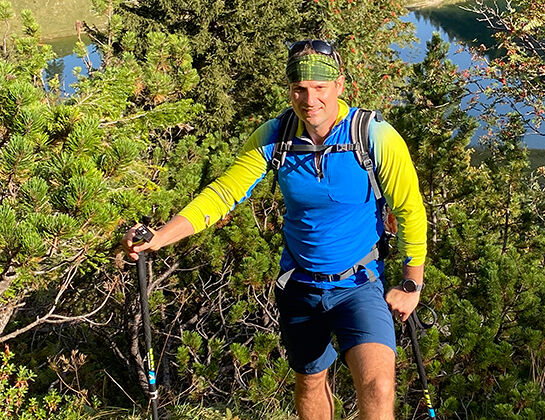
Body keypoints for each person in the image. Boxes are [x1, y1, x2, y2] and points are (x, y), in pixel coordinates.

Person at [121, 39, 427, 420]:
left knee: (378, 386)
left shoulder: (373, 135)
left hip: (360, 283)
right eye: (299, 88)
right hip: (300, 285)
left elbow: (410, 209)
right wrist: (159, 237)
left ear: (339, 86)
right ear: (289, 89)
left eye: (319, 88)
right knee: (311, 382)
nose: (309, 99)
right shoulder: (276, 137)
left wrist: (411, 284)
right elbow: (223, 195)